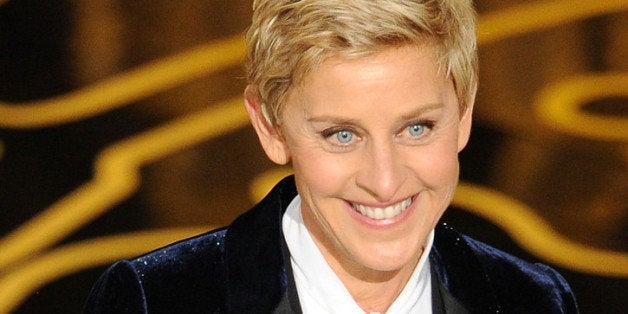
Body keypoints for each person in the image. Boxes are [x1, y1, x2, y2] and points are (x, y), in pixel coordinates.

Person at [84, 0, 578, 313]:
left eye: (417, 128)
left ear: (465, 113)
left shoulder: (532, 299)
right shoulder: (157, 300)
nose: (384, 182)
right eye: (342, 135)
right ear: (270, 126)